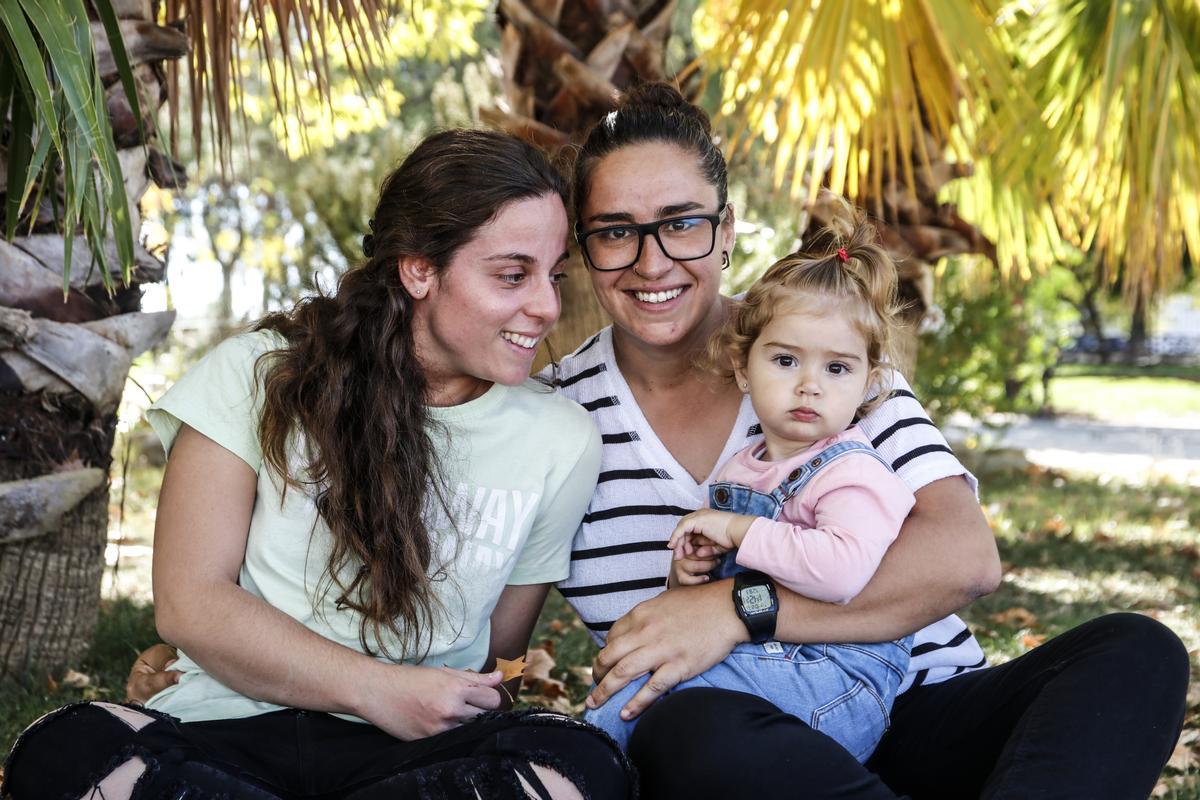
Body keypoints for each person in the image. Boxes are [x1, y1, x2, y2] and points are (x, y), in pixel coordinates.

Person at [552, 83, 1189, 799]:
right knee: (689, 729)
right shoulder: (553, 418)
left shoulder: (823, 353)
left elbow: (964, 559)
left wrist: (737, 611)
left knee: (1138, 653)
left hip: (920, 709)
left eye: (682, 224)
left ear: (726, 231)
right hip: (739, 747)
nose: (651, 261)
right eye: (615, 231)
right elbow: (487, 624)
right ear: (582, 249)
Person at [0, 129, 635, 800]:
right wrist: (374, 687)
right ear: (419, 269)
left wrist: (457, 695)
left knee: (579, 764)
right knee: (68, 747)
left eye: (554, 275)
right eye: (513, 274)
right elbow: (191, 604)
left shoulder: (560, 439)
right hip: (228, 735)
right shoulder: (256, 377)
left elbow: (496, 648)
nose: (547, 306)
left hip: (419, 756)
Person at [584, 216, 918, 762]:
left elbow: (840, 572)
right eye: (785, 360)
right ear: (743, 369)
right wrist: (687, 574)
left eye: (837, 368)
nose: (809, 384)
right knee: (652, 684)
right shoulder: (745, 466)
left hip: (837, 678)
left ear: (868, 383)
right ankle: (580, 757)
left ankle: (579, 764)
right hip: (771, 661)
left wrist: (739, 529)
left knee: (662, 695)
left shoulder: (854, 473)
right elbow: (709, 608)